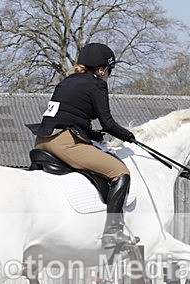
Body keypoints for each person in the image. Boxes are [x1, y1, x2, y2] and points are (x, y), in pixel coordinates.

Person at [28, 42, 137, 250]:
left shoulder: (68, 81)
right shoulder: (96, 83)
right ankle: (113, 232)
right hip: (65, 143)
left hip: (42, 141)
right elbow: (108, 122)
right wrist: (129, 135)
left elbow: (71, 117)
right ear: (101, 69)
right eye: (110, 71)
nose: (109, 76)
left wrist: (94, 135)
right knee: (120, 172)